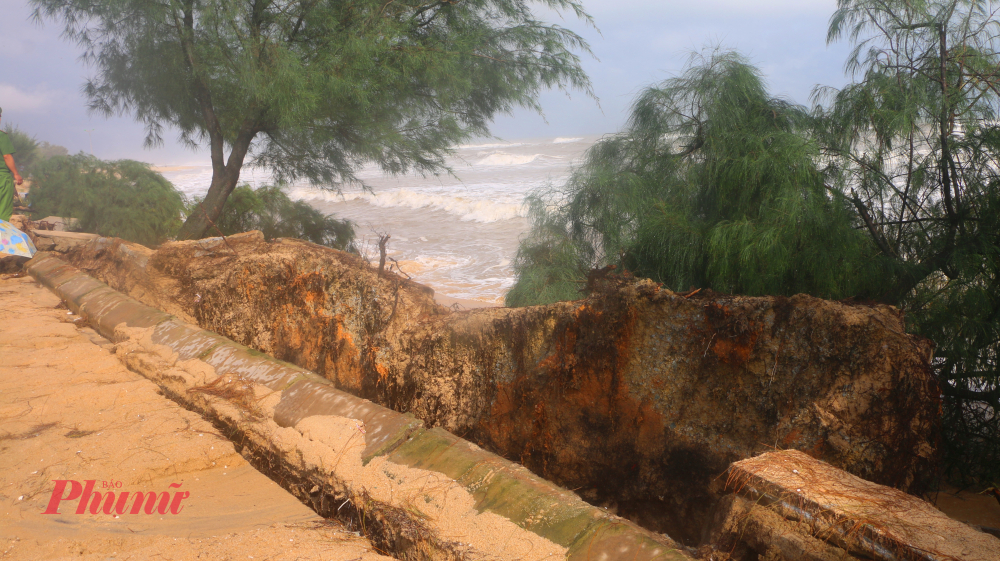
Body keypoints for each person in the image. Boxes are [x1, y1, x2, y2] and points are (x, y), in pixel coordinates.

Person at [0, 107, 25, 222]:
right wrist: (16, 174)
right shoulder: (2, 136)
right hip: (2, 179)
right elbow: (7, 156)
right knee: (3, 213)